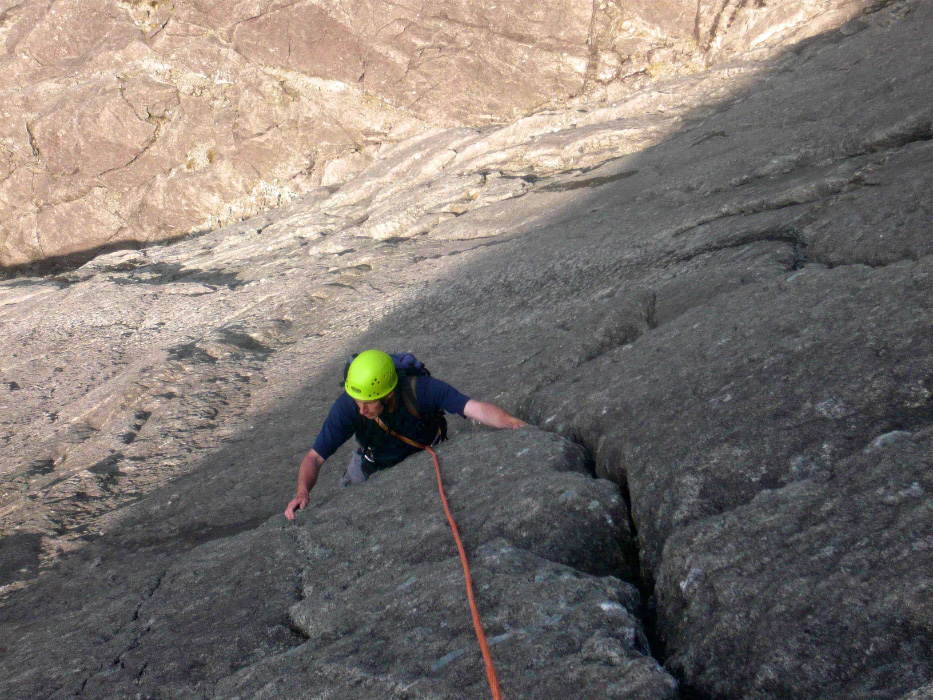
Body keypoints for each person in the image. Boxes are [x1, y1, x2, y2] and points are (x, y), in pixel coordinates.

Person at [285, 349, 525, 519]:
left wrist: (512, 423)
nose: (362, 409)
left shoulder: (421, 390)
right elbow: (314, 458)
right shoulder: (350, 405)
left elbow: (474, 408)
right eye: (358, 402)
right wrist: (302, 492)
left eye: (368, 403)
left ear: (388, 394)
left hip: (424, 454)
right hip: (373, 464)